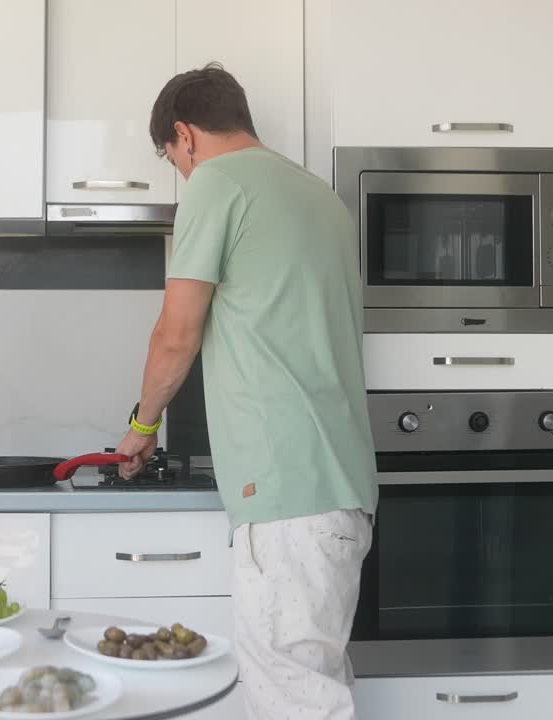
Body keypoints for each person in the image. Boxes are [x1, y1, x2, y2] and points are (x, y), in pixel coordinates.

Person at [113, 64, 378, 719]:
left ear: (185, 135)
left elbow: (177, 334)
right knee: (315, 689)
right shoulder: (323, 199)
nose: (181, 173)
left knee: (291, 700)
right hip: (339, 491)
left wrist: (141, 428)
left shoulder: (217, 184)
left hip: (285, 493)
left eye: (173, 158)